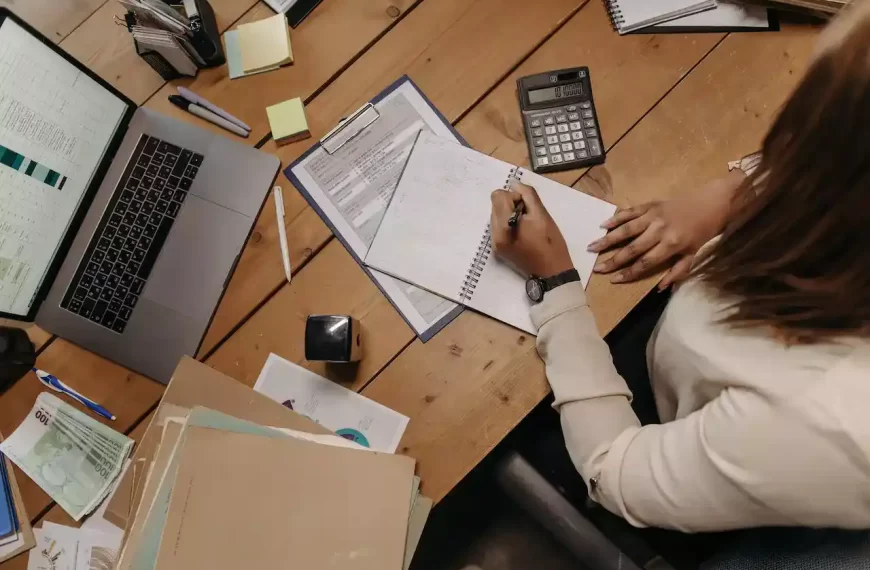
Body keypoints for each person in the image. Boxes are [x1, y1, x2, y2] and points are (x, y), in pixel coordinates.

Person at [489, 0, 870, 533]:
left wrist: (553, 285)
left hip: (666, 441)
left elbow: (614, 471)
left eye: (804, 117)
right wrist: (735, 196)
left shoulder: (826, 420)